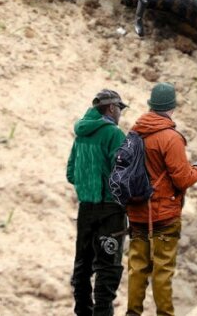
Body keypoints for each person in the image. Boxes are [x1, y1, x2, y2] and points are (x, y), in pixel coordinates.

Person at [125, 82, 197, 316]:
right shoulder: (170, 138)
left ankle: (132, 313)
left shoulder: (134, 132)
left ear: (151, 106)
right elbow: (182, 179)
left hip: (136, 211)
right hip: (164, 215)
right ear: (172, 108)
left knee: (137, 268)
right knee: (162, 270)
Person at [67, 89, 130, 316]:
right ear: (111, 108)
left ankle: (82, 312)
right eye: (120, 108)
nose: (121, 113)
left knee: (83, 265)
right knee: (108, 267)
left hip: (86, 208)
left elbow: (71, 173)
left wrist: (88, 187)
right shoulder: (114, 134)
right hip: (111, 210)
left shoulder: (81, 135)